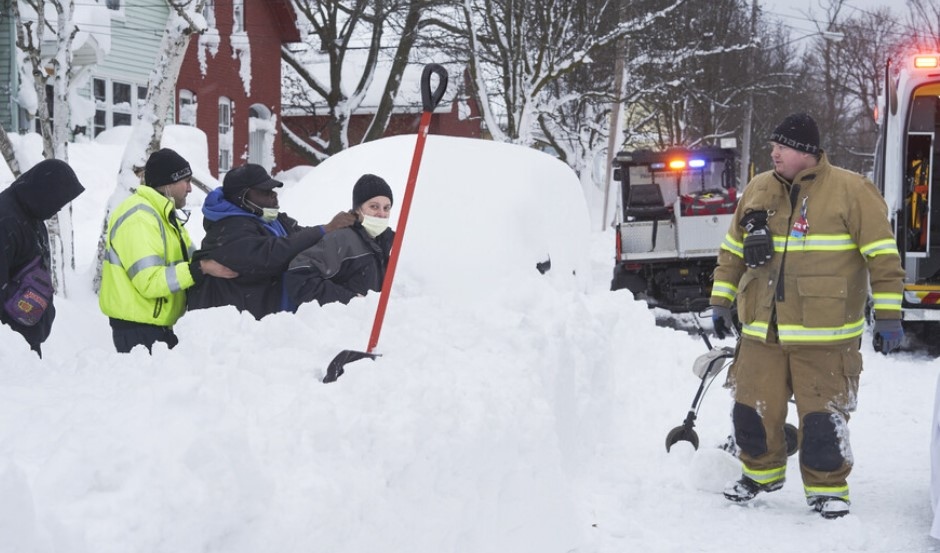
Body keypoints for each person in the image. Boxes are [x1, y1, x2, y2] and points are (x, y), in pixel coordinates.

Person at [709, 113, 906, 519]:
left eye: (781, 146)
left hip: (825, 333)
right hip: (762, 330)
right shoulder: (758, 188)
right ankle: (759, 474)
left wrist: (889, 315)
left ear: (804, 151)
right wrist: (720, 299)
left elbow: (883, 258)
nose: (773, 152)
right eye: (774, 146)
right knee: (752, 407)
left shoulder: (852, 191)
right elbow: (731, 251)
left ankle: (828, 487)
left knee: (822, 417)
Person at [98, 148, 237, 353]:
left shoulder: (164, 216)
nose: (190, 189)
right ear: (168, 184)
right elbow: (150, 282)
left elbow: (191, 258)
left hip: (156, 325)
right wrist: (202, 268)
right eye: (186, 181)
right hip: (138, 329)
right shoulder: (139, 218)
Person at [186, 163, 356, 319]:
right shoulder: (227, 228)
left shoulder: (270, 218)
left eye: (273, 190)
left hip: (272, 318)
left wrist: (342, 229)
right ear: (242, 197)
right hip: (240, 330)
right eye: (265, 192)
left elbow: (301, 237)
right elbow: (269, 254)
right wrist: (324, 229)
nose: (274, 195)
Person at [0, 159, 85, 357]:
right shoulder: (6, 221)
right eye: (58, 200)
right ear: (44, 192)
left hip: (24, 337)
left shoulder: (31, 212)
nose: (59, 208)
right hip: (10, 348)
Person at [284, 173, 395, 307]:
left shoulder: (389, 243)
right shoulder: (342, 238)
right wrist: (349, 300)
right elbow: (299, 278)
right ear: (358, 209)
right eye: (374, 206)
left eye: (386, 208)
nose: (382, 214)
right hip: (345, 324)